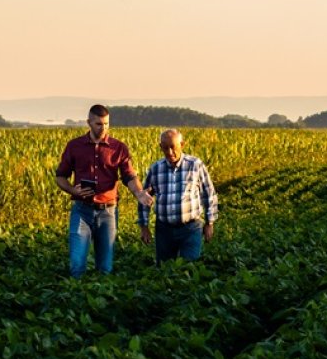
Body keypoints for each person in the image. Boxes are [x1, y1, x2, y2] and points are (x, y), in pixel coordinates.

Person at [55, 105, 154, 278]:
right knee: (77, 264)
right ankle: (76, 297)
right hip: (81, 210)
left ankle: (101, 298)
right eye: (99, 124)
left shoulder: (118, 148)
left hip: (108, 212)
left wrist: (139, 193)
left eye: (107, 124)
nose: (103, 128)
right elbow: (60, 176)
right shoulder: (74, 146)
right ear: (89, 123)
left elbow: (129, 176)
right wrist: (73, 190)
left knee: (105, 267)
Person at [138, 128, 219, 263]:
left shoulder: (195, 165)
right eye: (165, 148)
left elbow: (208, 193)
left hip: (191, 227)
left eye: (173, 147)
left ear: (182, 145)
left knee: (189, 266)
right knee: (165, 269)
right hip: (164, 229)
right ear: (160, 147)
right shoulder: (155, 168)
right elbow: (144, 198)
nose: (169, 152)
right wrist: (144, 226)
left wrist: (209, 222)